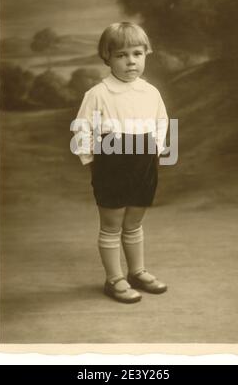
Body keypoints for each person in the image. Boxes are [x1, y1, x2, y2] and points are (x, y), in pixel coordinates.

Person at [72, 22, 169, 303]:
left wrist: (157, 151)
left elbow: (162, 122)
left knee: (134, 222)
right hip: (111, 163)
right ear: (108, 57)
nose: (131, 61)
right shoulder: (98, 94)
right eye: (122, 55)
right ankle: (114, 278)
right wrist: (92, 161)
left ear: (146, 54)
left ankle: (137, 271)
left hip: (143, 163)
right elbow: (82, 128)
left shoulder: (150, 92)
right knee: (112, 224)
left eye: (137, 54)